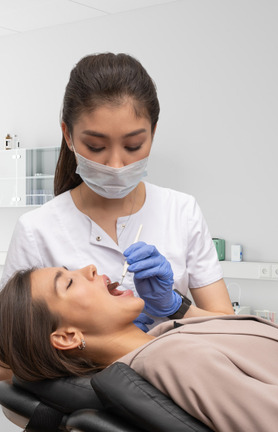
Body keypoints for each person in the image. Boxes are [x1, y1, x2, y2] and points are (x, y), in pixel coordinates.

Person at [1, 52, 234, 328]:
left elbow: (230, 328)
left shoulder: (181, 211)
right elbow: (9, 355)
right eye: (96, 147)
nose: (115, 164)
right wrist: (101, 350)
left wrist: (174, 307)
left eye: (133, 145)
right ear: (68, 135)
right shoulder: (36, 230)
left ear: (153, 133)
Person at [0, 265, 278, 432]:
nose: (89, 268)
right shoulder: (173, 359)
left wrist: (178, 307)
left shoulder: (167, 337)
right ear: (67, 337)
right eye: (69, 282)